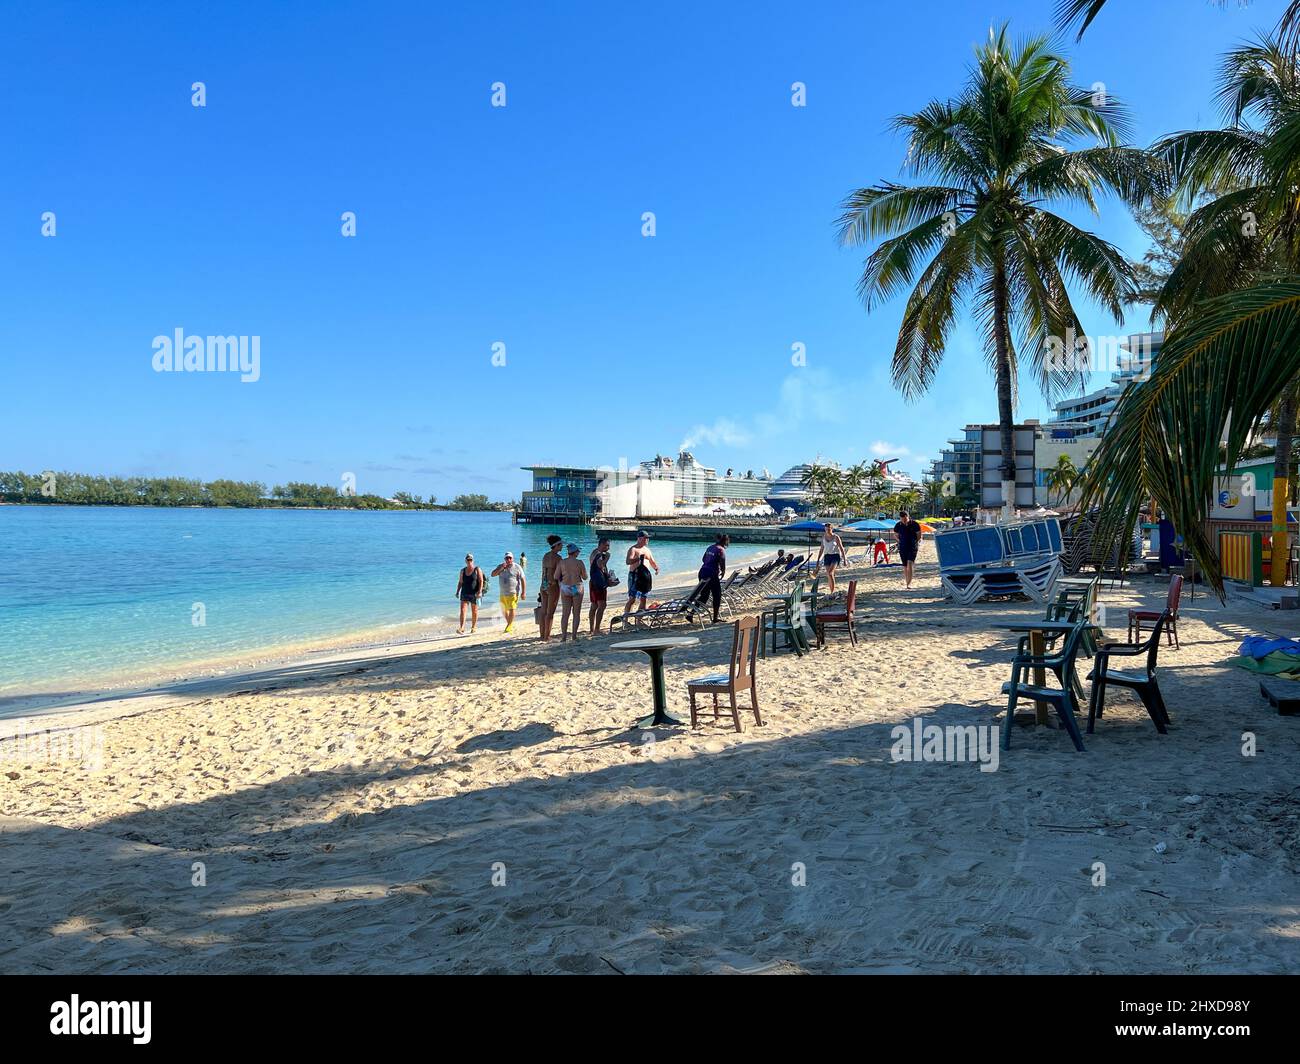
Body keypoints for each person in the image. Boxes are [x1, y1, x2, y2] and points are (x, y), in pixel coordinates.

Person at [622, 530, 659, 620]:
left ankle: (639, 619)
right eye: (646, 538)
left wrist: (656, 568)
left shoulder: (647, 550)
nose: (647, 540)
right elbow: (628, 561)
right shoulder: (633, 549)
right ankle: (626, 620)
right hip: (635, 576)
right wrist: (638, 558)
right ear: (639, 539)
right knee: (632, 599)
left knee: (643, 598)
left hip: (645, 577)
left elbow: (652, 561)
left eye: (648, 538)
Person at [556, 543, 588, 642]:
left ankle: (564, 637)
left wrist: (561, 583)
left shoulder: (562, 562)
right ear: (575, 552)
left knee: (565, 613)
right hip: (576, 587)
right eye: (578, 551)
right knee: (576, 613)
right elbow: (585, 577)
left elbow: (556, 576)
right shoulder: (579, 562)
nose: (579, 552)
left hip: (565, 587)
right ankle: (574, 636)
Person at [491, 551, 526, 634]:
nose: (508, 559)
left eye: (510, 558)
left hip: (513, 592)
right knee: (504, 610)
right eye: (507, 558)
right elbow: (493, 574)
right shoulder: (500, 566)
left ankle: (509, 625)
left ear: (512, 559)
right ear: (504, 559)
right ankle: (510, 624)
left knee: (512, 608)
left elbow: (523, 579)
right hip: (503, 592)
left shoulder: (517, 567)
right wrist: (501, 568)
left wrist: (523, 592)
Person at [698, 533, 729, 623]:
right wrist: (723, 572)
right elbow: (722, 563)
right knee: (717, 595)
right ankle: (715, 618)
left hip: (702, 572)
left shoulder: (710, 547)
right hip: (711, 574)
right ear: (725, 541)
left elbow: (703, 559)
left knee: (704, 595)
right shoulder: (721, 550)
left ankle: (691, 613)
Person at [538, 534, 563, 641]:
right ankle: (547, 636)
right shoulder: (558, 558)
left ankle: (542, 635)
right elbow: (558, 574)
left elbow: (544, 571)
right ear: (556, 545)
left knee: (543, 611)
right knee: (550, 612)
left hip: (543, 584)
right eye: (561, 544)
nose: (562, 546)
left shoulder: (545, 555)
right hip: (552, 585)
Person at [454, 553, 486, 634]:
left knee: (474, 610)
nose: (469, 561)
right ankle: (462, 628)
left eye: (470, 560)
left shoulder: (477, 569)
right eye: (468, 560)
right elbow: (460, 582)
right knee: (462, 610)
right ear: (465, 561)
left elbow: (481, 580)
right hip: (464, 592)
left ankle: (473, 627)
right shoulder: (462, 571)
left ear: (473, 560)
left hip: (474, 593)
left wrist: (480, 591)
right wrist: (457, 591)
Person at [588, 537, 614, 634]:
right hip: (598, 584)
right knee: (602, 605)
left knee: (594, 605)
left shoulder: (594, 552)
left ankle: (592, 628)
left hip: (594, 582)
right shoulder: (599, 554)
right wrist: (607, 557)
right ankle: (596, 629)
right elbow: (600, 565)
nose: (608, 548)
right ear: (602, 545)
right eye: (607, 546)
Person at [894, 509, 923, 589]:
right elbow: (895, 535)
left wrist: (914, 542)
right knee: (905, 566)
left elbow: (919, 535)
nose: (904, 521)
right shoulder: (898, 525)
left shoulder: (915, 524)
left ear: (908, 517)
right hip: (902, 547)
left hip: (912, 546)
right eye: (902, 519)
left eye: (905, 519)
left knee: (910, 563)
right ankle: (907, 581)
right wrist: (900, 541)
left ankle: (909, 584)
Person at [816, 523, 846, 594]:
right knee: (829, 575)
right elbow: (821, 549)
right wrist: (818, 559)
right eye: (826, 529)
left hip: (835, 556)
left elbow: (841, 548)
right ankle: (831, 590)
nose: (827, 530)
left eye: (829, 529)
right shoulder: (823, 537)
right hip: (827, 556)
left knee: (830, 573)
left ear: (832, 529)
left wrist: (845, 560)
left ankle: (832, 592)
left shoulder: (836, 537)